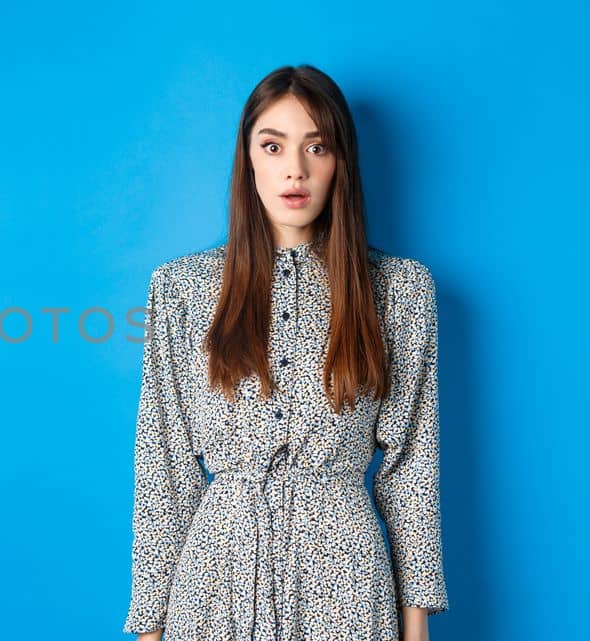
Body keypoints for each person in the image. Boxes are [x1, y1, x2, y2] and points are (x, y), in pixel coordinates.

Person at [122, 65, 449, 641]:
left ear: (340, 162)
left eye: (316, 147)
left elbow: (411, 467)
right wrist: (149, 627)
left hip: (346, 584)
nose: (294, 169)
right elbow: (163, 467)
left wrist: (415, 623)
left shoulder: (399, 289)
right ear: (248, 159)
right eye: (272, 146)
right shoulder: (182, 289)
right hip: (214, 586)